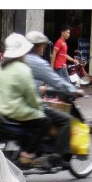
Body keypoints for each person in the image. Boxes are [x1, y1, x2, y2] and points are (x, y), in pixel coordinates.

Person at [0, 33, 49, 164]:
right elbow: (31, 96)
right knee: (43, 119)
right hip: (14, 112)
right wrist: (39, 106)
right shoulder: (23, 69)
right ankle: (28, 153)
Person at [25, 30, 82, 165]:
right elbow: (56, 81)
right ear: (38, 46)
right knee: (66, 120)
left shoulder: (20, 59)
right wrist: (74, 90)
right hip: (33, 105)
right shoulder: (37, 62)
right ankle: (58, 156)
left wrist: (41, 88)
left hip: (19, 102)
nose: (44, 48)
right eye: (42, 45)